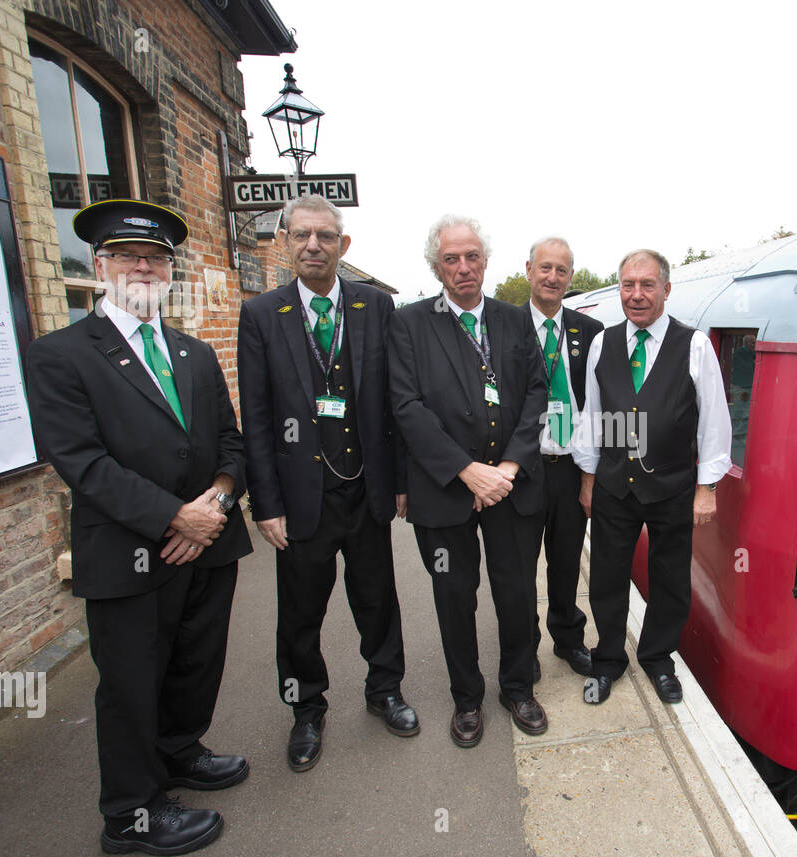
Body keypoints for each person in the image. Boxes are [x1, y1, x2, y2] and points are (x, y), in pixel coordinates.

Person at [25, 198, 251, 855]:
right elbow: (81, 461)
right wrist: (170, 516)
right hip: (128, 551)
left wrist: (212, 505)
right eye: (129, 256)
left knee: (194, 662)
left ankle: (180, 754)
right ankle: (130, 813)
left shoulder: (194, 354)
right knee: (130, 681)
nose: (144, 268)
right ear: (100, 266)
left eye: (156, 258)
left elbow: (229, 445)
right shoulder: (62, 355)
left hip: (205, 544)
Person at [237, 195, 414, 772]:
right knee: (300, 614)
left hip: (366, 491)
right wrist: (265, 503)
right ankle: (305, 709)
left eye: (326, 236)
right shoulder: (263, 315)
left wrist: (401, 483)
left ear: (344, 245)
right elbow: (257, 418)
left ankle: (384, 689)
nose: (314, 245)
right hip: (299, 498)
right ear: (284, 242)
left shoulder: (375, 306)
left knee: (377, 600)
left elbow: (396, 403)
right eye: (302, 235)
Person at [388, 215, 549, 747]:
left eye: (472, 256)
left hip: (510, 486)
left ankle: (518, 688)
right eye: (452, 259)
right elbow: (406, 406)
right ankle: (467, 698)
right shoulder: (409, 323)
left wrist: (507, 467)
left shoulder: (513, 319)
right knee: (455, 598)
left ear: (486, 260)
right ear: (437, 266)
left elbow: (535, 394)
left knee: (517, 592)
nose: (464, 268)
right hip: (446, 491)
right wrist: (466, 470)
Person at [573, 249, 732, 704]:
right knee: (606, 576)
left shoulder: (695, 345)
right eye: (628, 285)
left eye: (646, 285)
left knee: (669, 578)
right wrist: (588, 478)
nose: (636, 294)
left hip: (672, 488)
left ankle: (659, 658)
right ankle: (607, 661)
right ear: (619, 288)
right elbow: (591, 415)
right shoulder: (604, 342)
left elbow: (714, 422)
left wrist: (707, 487)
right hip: (613, 486)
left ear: (666, 288)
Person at [524, 238, 601, 682]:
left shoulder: (587, 332)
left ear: (570, 277)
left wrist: (592, 475)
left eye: (562, 271)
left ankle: (569, 639)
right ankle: (525, 645)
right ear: (529, 269)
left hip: (570, 466)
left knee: (567, 560)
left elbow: (596, 403)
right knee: (519, 567)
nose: (553, 277)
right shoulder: (506, 325)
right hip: (525, 468)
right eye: (545, 268)